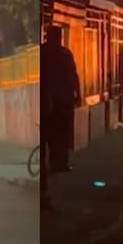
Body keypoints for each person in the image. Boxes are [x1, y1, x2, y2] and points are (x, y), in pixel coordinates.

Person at [40, 26, 81, 172]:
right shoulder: (64, 54)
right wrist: (78, 94)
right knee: (61, 135)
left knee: (51, 135)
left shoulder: (44, 53)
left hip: (51, 102)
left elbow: (73, 76)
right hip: (62, 102)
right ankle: (59, 164)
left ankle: (52, 164)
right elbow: (74, 76)